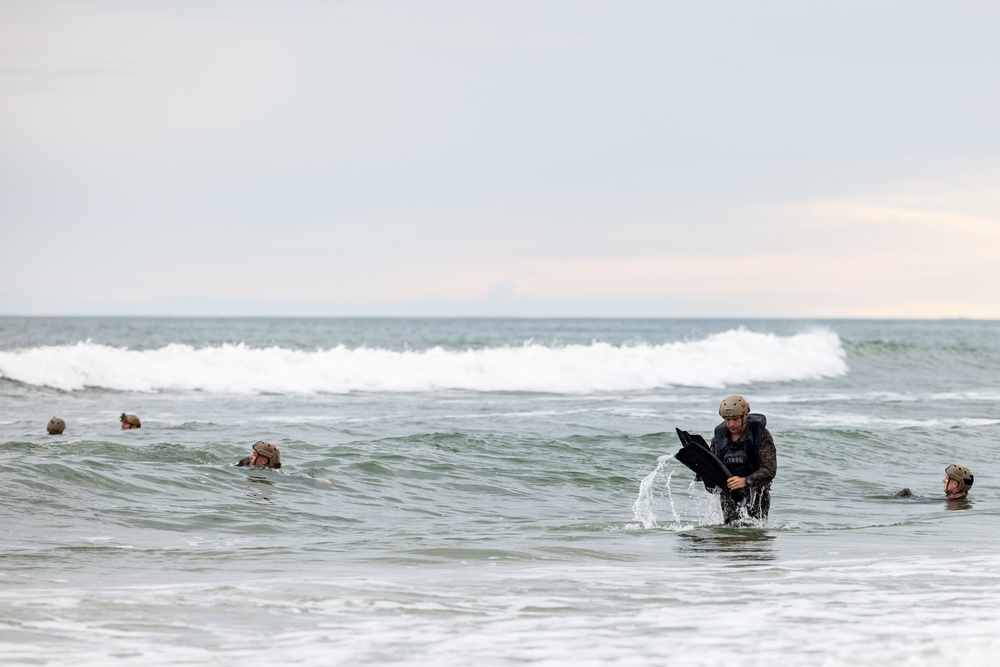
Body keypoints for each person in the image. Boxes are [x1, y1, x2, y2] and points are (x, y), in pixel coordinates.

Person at [710, 394, 777, 525]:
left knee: (754, 534)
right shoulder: (719, 438)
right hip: (729, 492)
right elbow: (712, 463)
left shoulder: (760, 435)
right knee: (730, 534)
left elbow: (769, 470)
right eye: (727, 420)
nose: (730, 424)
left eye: (735, 419)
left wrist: (746, 481)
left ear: (745, 415)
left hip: (756, 494)